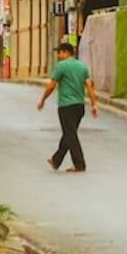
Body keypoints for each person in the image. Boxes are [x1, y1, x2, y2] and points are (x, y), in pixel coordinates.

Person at [38, 42, 98, 172]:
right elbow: (89, 86)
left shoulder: (61, 66)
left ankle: (79, 164)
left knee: (70, 134)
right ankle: (56, 160)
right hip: (79, 106)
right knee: (69, 133)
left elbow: (52, 85)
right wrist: (94, 104)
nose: (58, 56)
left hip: (66, 106)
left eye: (59, 53)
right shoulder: (82, 67)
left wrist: (43, 99)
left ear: (66, 52)